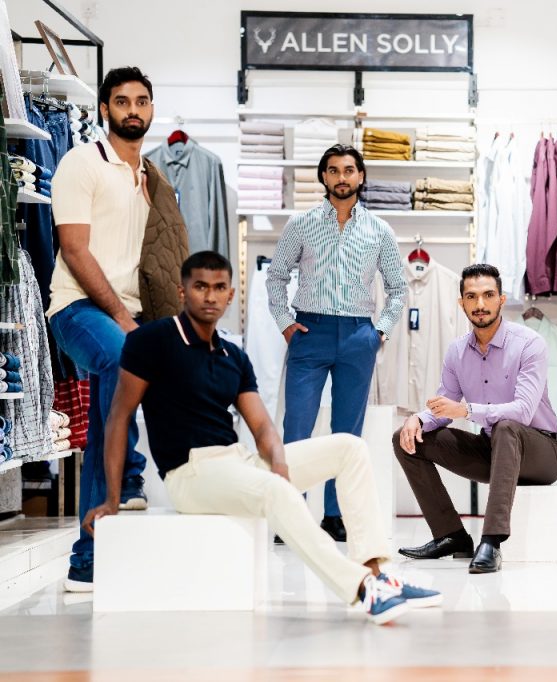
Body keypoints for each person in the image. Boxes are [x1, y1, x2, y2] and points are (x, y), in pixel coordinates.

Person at [83, 251, 439, 625]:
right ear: (182, 291)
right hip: (190, 474)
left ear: (231, 294)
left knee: (350, 448)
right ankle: (362, 588)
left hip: (238, 462)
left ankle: (377, 574)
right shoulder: (152, 340)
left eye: (219, 287)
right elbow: (118, 417)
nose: (210, 296)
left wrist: (279, 463)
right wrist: (111, 498)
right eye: (200, 286)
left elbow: (263, 426)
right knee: (275, 491)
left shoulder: (232, 355)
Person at [49, 66, 189, 591]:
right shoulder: (81, 162)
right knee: (118, 357)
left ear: (151, 109)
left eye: (142, 101)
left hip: (137, 314)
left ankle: (142, 494)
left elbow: (164, 259)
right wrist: (124, 320)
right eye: (123, 101)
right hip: (79, 307)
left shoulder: (154, 179)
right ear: (105, 109)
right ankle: (89, 552)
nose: (134, 109)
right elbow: (74, 250)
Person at [266, 144, 407, 543]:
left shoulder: (379, 230)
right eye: (333, 170)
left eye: (348, 170)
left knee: (347, 433)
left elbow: (398, 288)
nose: (341, 177)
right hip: (309, 333)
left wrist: (380, 332)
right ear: (324, 177)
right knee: (297, 425)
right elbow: (276, 276)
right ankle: (291, 515)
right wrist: (286, 324)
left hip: (358, 336)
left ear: (360, 176)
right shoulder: (301, 224)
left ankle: (334, 514)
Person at [393, 264, 557, 574]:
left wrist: (467, 411)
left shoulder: (529, 344)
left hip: (542, 453)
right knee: (406, 438)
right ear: (462, 303)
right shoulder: (457, 351)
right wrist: (418, 419)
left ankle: (492, 541)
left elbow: (523, 411)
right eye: (471, 297)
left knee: (507, 427)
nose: (480, 304)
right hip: (494, 451)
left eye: (488, 295)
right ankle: (451, 536)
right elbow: (443, 405)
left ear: (502, 299)